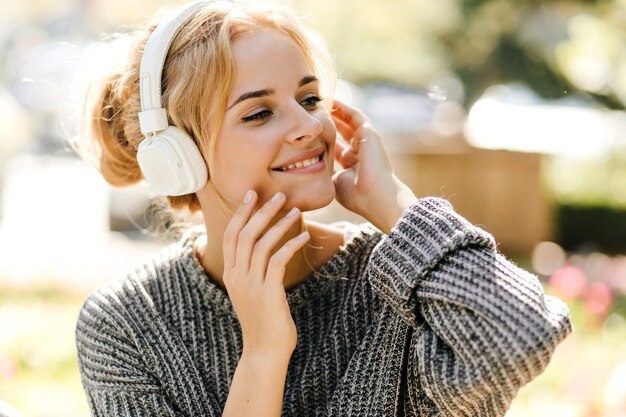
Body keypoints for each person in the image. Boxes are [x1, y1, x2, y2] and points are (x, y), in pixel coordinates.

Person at [73, 1, 572, 416]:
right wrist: (264, 353)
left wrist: (397, 208)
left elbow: (523, 336)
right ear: (177, 157)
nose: (309, 126)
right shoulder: (125, 324)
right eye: (260, 112)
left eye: (309, 98)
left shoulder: (398, 282)